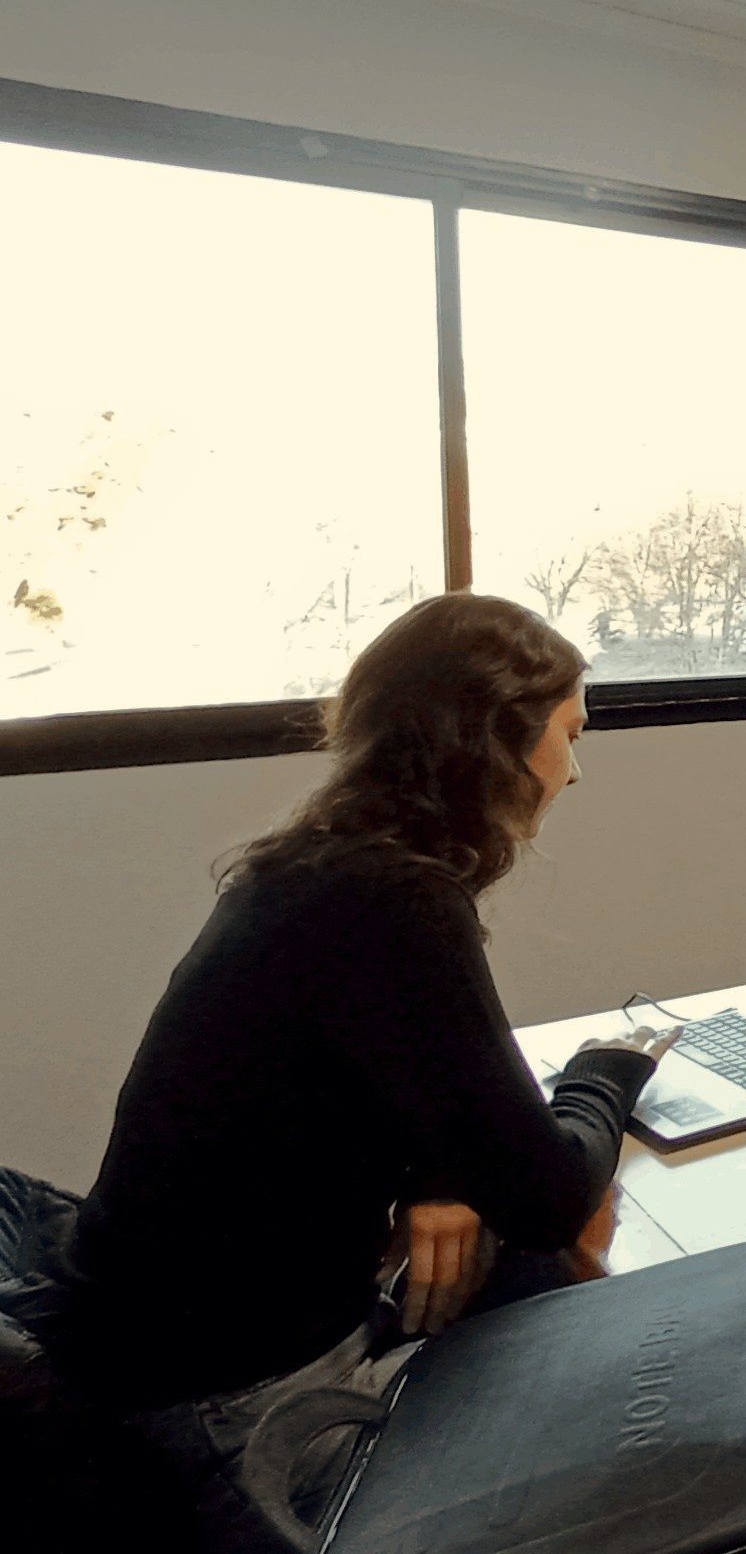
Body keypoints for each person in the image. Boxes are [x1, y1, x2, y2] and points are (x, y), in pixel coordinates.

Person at [50, 592, 678, 1549]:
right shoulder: (398, 904)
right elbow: (546, 1194)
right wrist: (610, 1067)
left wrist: (442, 1172)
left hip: (151, 1344)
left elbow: (403, 1078)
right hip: (234, 1399)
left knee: (541, 1285)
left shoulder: (319, 868)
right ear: (494, 744)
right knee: (636, 1375)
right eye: (567, 735)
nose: (574, 772)